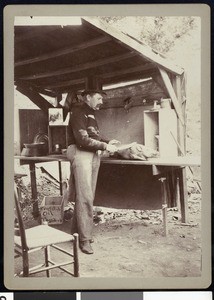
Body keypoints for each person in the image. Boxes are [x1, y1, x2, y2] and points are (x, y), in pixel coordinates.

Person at [66, 89, 119, 254]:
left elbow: (93, 136)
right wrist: (105, 146)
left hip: (92, 153)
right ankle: (85, 240)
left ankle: (76, 232)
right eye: (98, 98)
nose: (101, 102)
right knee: (85, 196)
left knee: (86, 195)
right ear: (88, 97)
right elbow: (82, 140)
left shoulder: (91, 114)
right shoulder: (77, 112)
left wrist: (108, 141)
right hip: (80, 152)